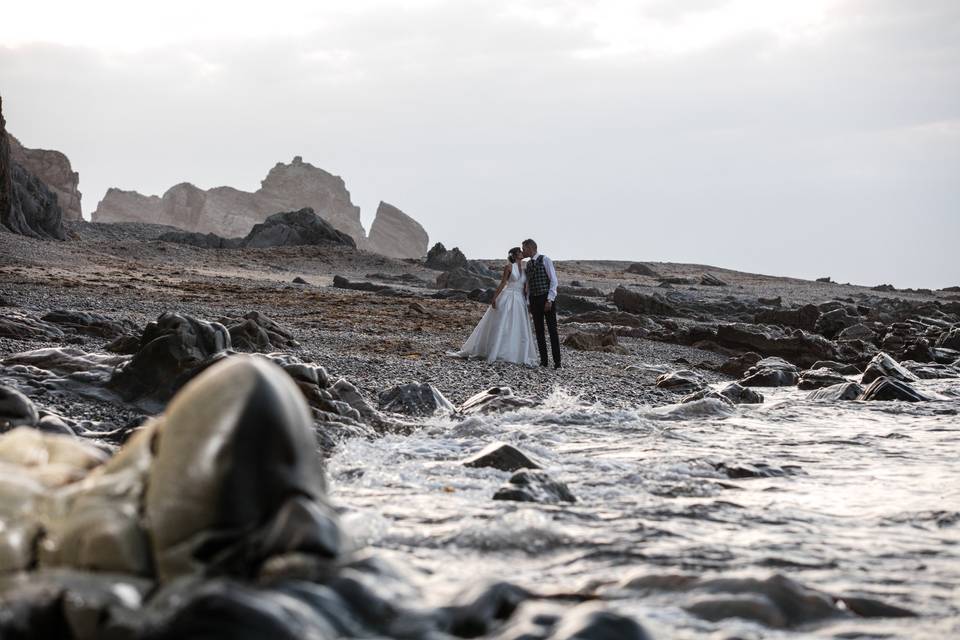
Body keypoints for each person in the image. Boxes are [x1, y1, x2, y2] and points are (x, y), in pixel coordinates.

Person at [452, 247, 539, 366]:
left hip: (520, 299)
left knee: (518, 325)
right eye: (519, 252)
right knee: (502, 323)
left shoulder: (525, 268)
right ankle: (495, 351)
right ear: (514, 255)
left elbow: (526, 287)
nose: (522, 253)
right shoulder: (508, 267)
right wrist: (494, 297)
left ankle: (515, 353)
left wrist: (528, 301)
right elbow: (503, 283)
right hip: (508, 295)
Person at [521, 238, 561, 368]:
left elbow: (553, 281)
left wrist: (550, 299)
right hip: (534, 300)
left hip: (546, 298)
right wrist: (528, 301)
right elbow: (528, 285)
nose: (523, 251)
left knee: (552, 331)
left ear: (531, 248)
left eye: (524, 248)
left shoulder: (545, 260)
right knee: (539, 331)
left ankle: (557, 362)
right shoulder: (528, 264)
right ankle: (544, 361)